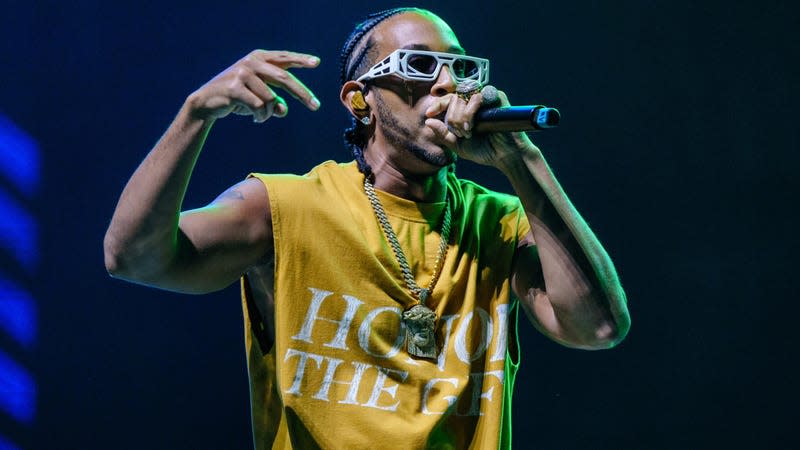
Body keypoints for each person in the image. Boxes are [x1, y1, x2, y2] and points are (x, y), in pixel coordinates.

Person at [104, 7, 630, 450]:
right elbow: (133, 257)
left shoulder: (499, 219)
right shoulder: (287, 206)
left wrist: (522, 158)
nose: (447, 83)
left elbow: (598, 328)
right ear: (361, 99)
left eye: (460, 68)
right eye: (421, 65)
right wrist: (196, 114)